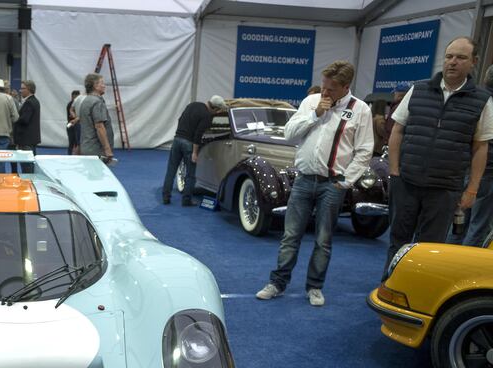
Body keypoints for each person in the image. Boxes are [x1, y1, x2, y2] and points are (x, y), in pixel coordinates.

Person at [256, 60, 373, 307]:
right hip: (303, 180)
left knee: (323, 240)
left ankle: (315, 287)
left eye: (331, 88)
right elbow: (289, 134)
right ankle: (277, 283)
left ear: (345, 87)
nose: (325, 92)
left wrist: (346, 180)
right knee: (290, 236)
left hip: (333, 185)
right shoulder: (311, 102)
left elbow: (364, 151)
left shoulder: (360, 109)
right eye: (323, 86)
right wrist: (315, 114)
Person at [385, 36, 493, 270]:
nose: (453, 62)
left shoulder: (483, 101)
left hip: (445, 190)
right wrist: (394, 172)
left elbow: (480, 147)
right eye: (449, 56)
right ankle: (388, 286)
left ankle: (415, 295)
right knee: (397, 242)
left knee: (429, 248)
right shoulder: (419, 88)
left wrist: (472, 189)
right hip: (406, 182)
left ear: (473, 62)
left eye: (461, 57)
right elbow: (397, 131)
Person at [447, 63, 493, 247]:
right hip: (488, 172)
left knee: (458, 222)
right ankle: (462, 269)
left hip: (466, 167)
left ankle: (446, 262)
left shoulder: (475, 98)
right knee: (479, 225)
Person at [161, 95, 228, 206]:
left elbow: (180, 119)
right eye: (218, 110)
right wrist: (195, 153)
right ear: (215, 108)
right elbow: (198, 136)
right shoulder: (206, 116)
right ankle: (186, 200)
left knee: (171, 171)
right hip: (189, 144)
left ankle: (165, 197)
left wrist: (180, 134)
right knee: (191, 175)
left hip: (177, 140)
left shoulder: (192, 105)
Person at [77, 73, 115, 164]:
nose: (104, 86)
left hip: (87, 147)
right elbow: (99, 126)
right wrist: (107, 149)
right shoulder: (97, 102)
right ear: (95, 86)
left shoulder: (85, 101)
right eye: (102, 83)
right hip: (96, 150)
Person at [14, 80, 41, 172]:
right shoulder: (34, 101)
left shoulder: (29, 102)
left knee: (27, 168)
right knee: (29, 166)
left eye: (23, 88)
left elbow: (24, 120)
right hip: (30, 139)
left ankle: (27, 185)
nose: (20, 90)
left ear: (29, 89)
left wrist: (15, 119)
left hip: (26, 140)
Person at [66, 90, 80, 155]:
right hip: (71, 126)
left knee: (78, 143)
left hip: (77, 125)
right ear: (72, 97)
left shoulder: (79, 104)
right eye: (74, 97)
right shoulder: (70, 105)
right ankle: (69, 156)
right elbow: (73, 117)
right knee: (71, 142)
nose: (75, 99)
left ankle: (77, 156)